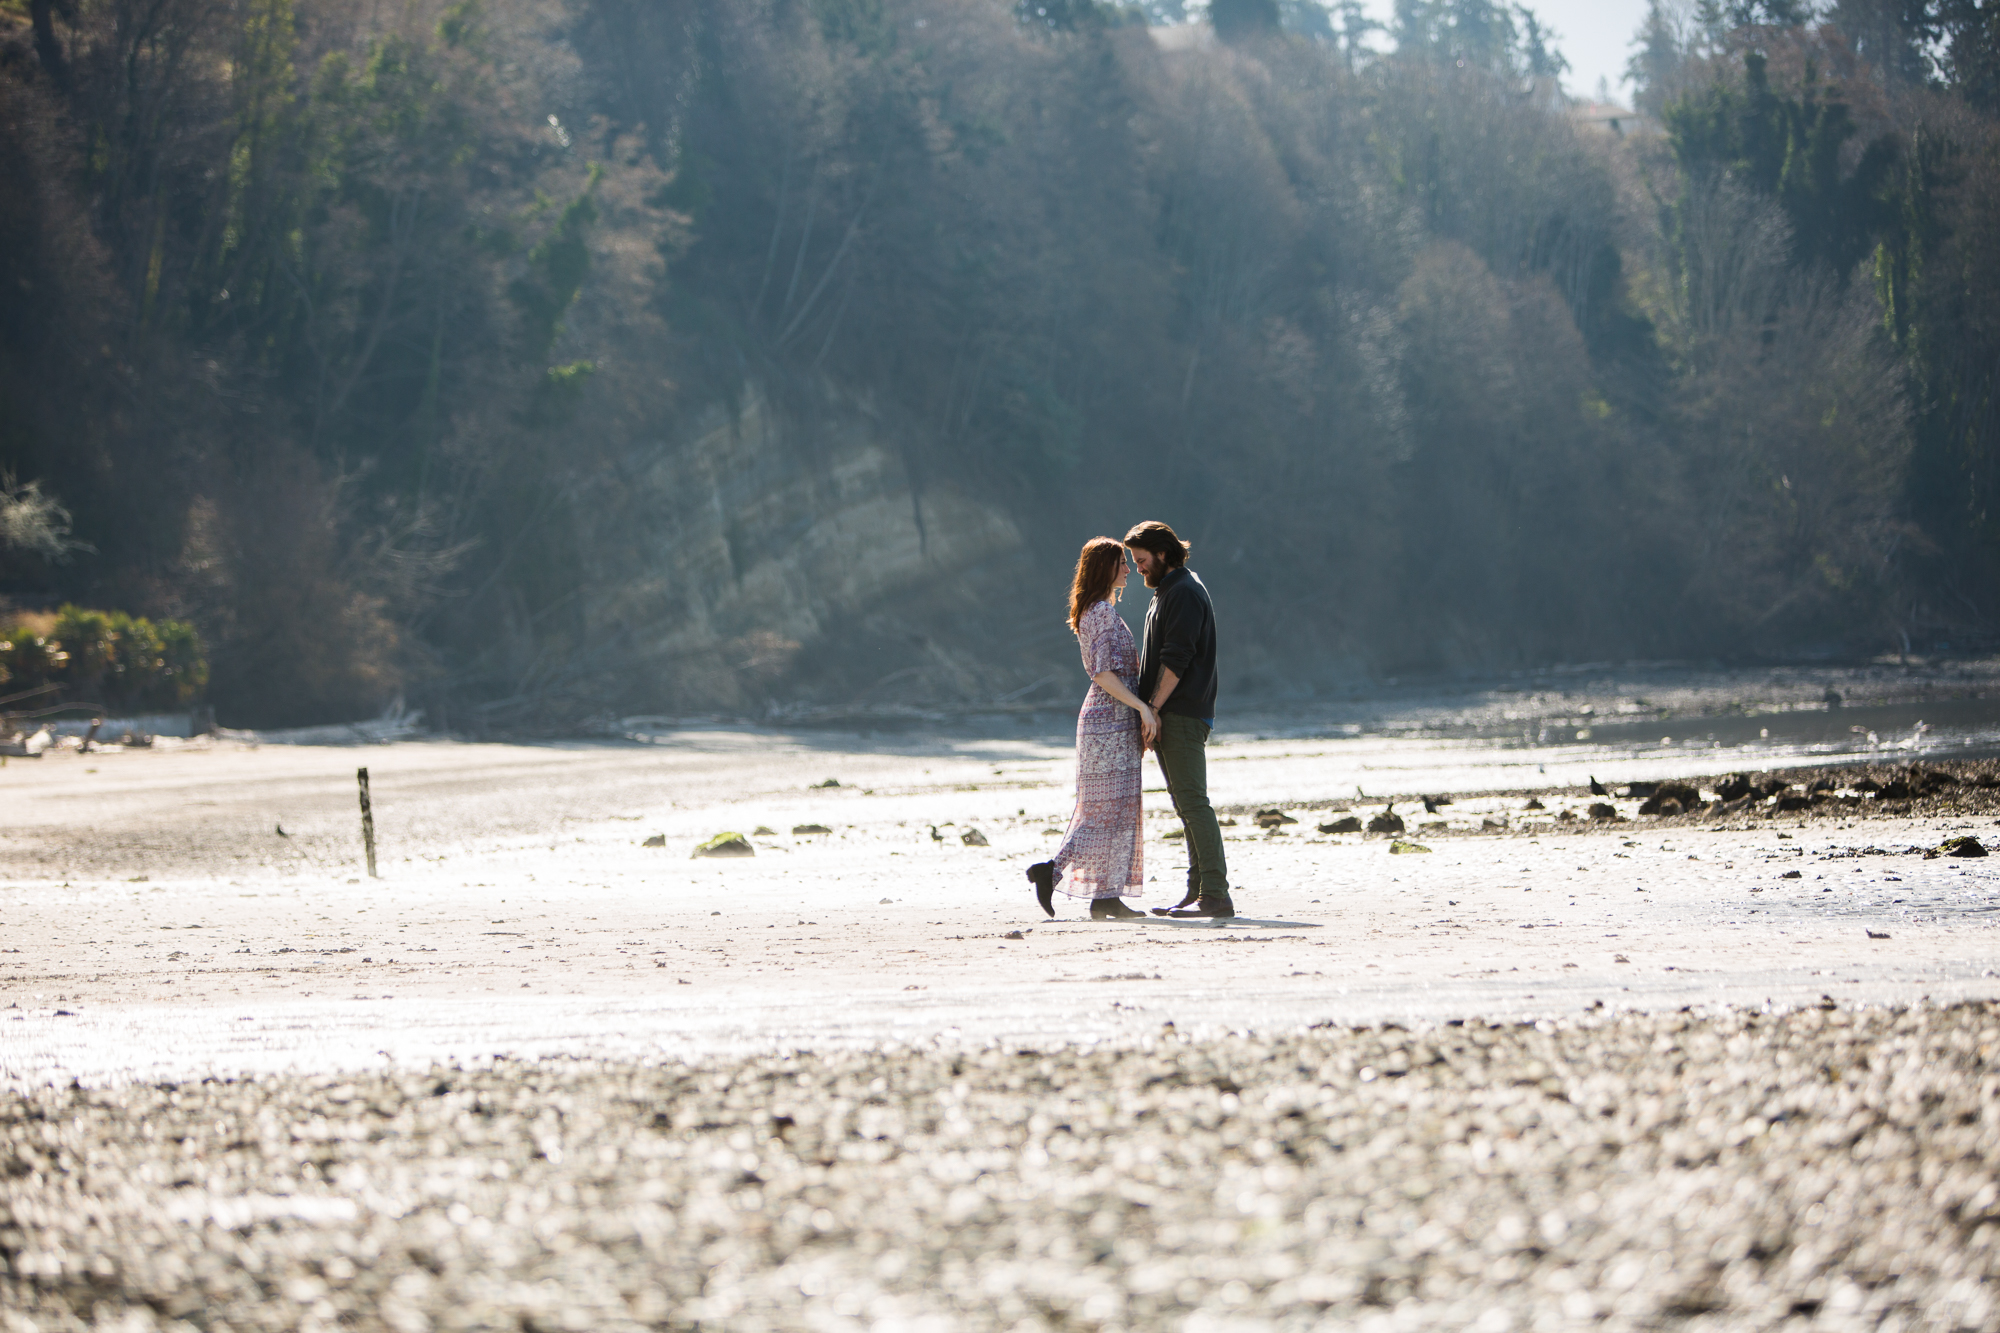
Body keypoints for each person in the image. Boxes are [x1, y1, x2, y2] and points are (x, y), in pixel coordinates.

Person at [1026, 537, 1156, 920]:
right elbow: (1101, 673)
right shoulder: (1099, 612)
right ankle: (1051, 870)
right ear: (1105, 568)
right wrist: (1142, 708)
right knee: (1103, 812)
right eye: (1121, 563)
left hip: (1116, 723)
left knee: (1118, 811)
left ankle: (1106, 896)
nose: (1129, 570)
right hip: (1106, 723)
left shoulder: (1101, 610)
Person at [1125, 520, 1233, 919]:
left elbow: (1177, 658)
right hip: (1173, 713)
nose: (1138, 568)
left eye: (1141, 560)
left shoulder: (1185, 592)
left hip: (1182, 713)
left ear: (1163, 554)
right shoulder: (1171, 590)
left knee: (1193, 803)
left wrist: (1151, 708)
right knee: (1185, 805)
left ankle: (1216, 894)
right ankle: (1197, 889)